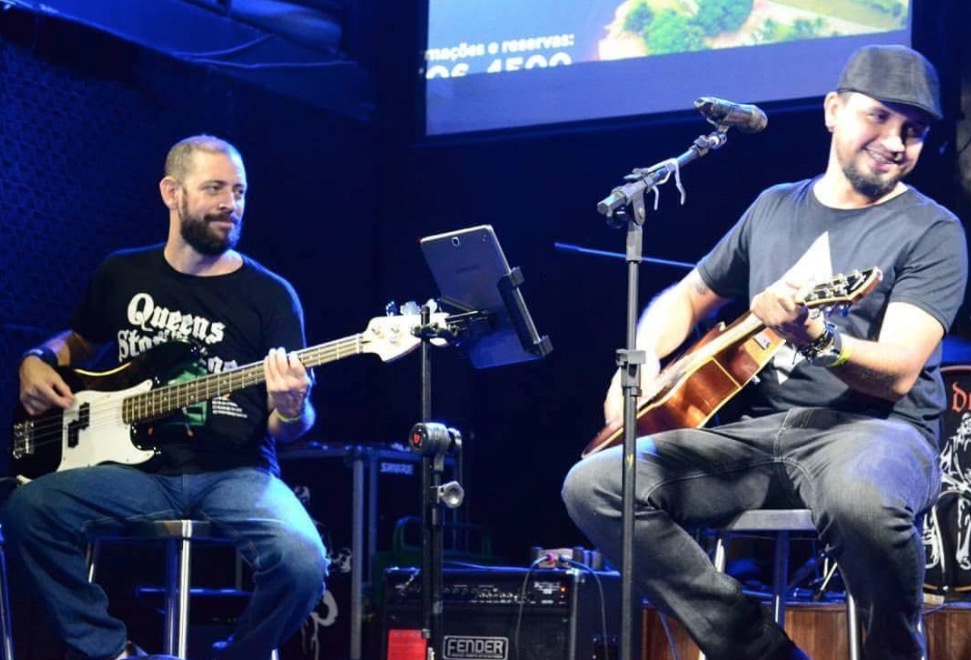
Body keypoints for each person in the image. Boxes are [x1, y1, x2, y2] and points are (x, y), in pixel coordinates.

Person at [562, 45, 968, 660]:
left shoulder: (932, 230)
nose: (895, 142)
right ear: (834, 110)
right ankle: (757, 651)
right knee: (594, 484)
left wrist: (818, 338)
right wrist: (643, 360)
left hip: (874, 432)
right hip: (758, 436)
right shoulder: (775, 206)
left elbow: (899, 371)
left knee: (861, 499)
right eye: (879, 118)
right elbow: (686, 296)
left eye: (913, 131)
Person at [2, 134, 329, 659]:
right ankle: (113, 653)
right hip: (132, 474)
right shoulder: (123, 272)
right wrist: (34, 359)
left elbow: (286, 426)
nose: (231, 204)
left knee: (302, 559)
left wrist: (292, 408)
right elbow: (78, 339)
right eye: (215, 189)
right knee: (27, 510)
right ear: (171, 193)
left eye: (240, 191)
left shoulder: (270, 294)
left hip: (235, 471)